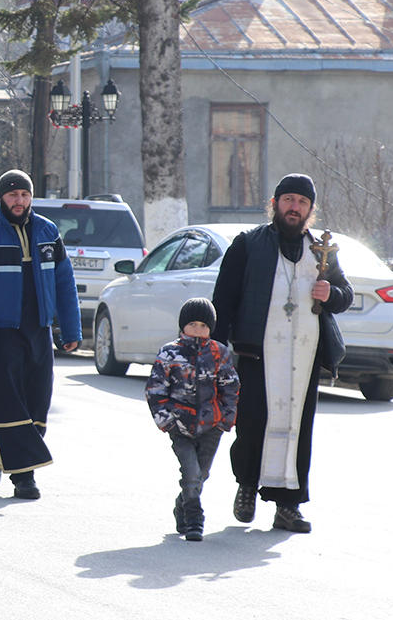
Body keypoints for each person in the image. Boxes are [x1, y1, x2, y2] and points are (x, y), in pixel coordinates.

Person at [212, 173, 351, 534]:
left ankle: (288, 505)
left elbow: (344, 294)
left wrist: (329, 295)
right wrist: (214, 348)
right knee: (253, 424)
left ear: (311, 210)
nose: (294, 208)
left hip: (304, 357)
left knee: (297, 430)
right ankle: (246, 488)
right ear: (274, 204)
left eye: (302, 202)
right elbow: (223, 299)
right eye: (288, 200)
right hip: (258, 351)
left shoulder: (321, 251)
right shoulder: (247, 244)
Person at [0, 169, 80, 500]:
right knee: (10, 403)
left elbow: (64, 283)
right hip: (0, 335)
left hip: (37, 331)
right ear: (2, 199)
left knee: (38, 401)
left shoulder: (48, 232)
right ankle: (24, 477)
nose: (19, 201)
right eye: (13, 195)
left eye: (24, 195)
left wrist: (70, 329)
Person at [146, 297, 240, 542]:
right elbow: (155, 390)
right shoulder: (170, 353)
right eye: (193, 324)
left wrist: (225, 420)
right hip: (180, 426)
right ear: (182, 326)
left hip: (211, 426)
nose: (198, 330)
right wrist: (167, 421)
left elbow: (230, 388)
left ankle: (182, 504)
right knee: (190, 471)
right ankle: (194, 519)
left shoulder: (220, 353)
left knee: (201, 474)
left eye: (204, 325)